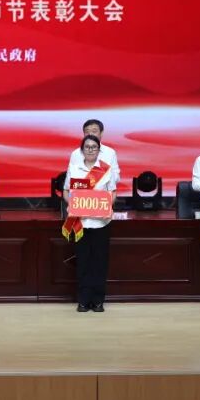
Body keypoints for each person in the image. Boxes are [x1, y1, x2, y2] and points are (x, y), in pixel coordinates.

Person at [63, 134, 118, 312]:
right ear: (82, 150)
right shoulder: (74, 168)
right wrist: (73, 204)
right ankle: (83, 300)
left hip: (101, 223)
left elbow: (113, 193)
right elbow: (66, 192)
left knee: (99, 262)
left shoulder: (105, 169)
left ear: (98, 150)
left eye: (94, 147)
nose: (90, 150)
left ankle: (98, 300)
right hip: (81, 223)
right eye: (87, 147)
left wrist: (106, 206)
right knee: (83, 262)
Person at [67, 119, 120, 187]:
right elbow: (70, 179)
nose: (90, 134)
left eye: (94, 131)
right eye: (87, 132)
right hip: (81, 192)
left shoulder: (110, 153)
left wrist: (102, 177)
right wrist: (90, 183)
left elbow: (116, 178)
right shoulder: (76, 153)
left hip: (103, 192)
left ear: (101, 133)